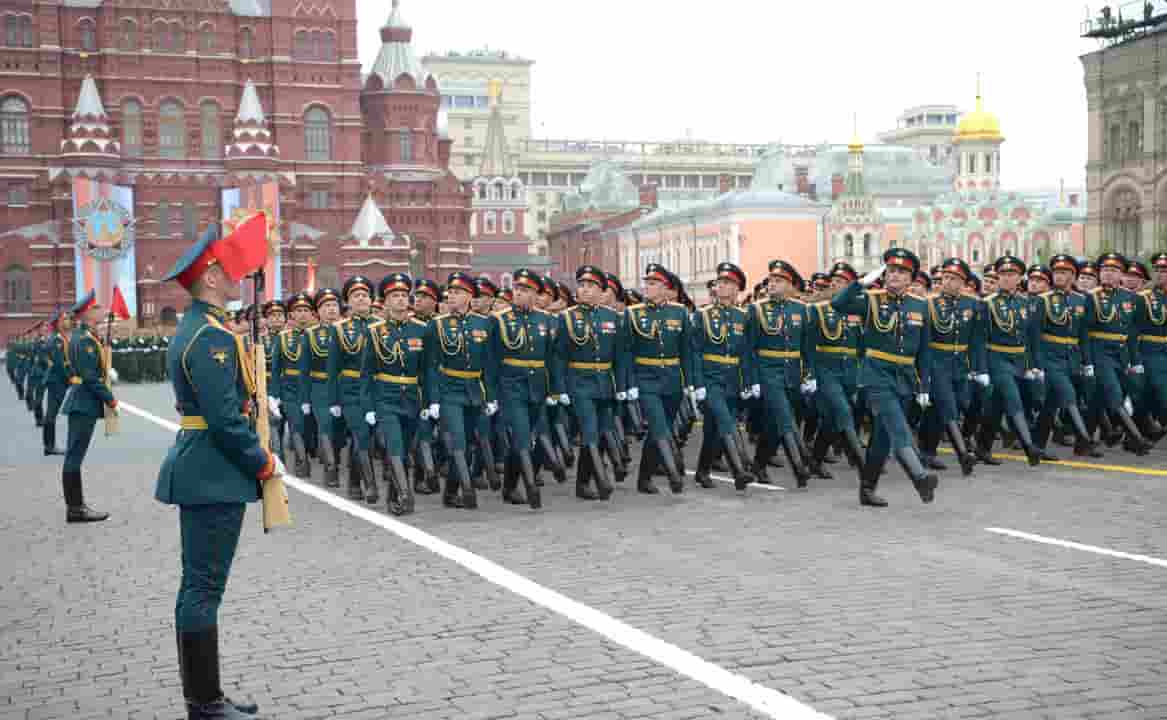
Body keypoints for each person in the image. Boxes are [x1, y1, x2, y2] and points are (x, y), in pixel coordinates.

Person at [156, 223, 282, 720]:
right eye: (226, 268)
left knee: (200, 586)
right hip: (212, 472)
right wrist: (264, 461)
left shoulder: (202, 329)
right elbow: (227, 421)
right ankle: (204, 703)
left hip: (205, 468)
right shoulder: (210, 338)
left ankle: (206, 695)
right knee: (202, 588)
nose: (235, 274)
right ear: (210, 277)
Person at [831, 248, 936, 507]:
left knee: (883, 437)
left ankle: (867, 488)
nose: (894, 276)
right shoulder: (870, 299)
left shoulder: (920, 305)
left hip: (905, 377)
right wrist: (860, 283)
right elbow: (837, 304)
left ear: (911, 278)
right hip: (876, 375)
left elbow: (925, 351)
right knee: (897, 424)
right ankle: (919, 477)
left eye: (901, 272)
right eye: (891, 270)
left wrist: (924, 385)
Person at [423, 271, 498, 509]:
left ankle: (450, 492)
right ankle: (467, 490)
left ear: (469, 296)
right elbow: (431, 366)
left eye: (457, 292)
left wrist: (491, 396)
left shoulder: (485, 323)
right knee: (457, 441)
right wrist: (433, 399)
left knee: (467, 445)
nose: (451, 296)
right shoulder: (437, 324)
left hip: (474, 390)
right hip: (449, 390)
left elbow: (489, 365)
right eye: (450, 292)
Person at [492, 268, 559, 507]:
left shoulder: (546, 320)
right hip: (511, 387)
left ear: (535, 294)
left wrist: (555, 390)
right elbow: (492, 361)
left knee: (524, 438)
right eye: (517, 289)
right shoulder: (499, 320)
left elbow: (552, 359)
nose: (519, 294)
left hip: (537, 387)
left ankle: (509, 487)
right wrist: (491, 395)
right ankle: (532, 489)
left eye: (525, 290)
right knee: (521, 435)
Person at [626, 264, 695, 494]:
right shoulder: (633, 313)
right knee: (658, 424)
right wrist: (630, 384)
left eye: (654, 284)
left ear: (666, 288)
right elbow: (626, 353)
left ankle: (644, 478)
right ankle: (673, 475)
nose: (648, 287)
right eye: (647, 283)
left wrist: (690, 382)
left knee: (659, 429)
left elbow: (687, 351)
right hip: (646, 379)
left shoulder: (679, 312)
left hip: (672, 380)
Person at [748, 260, 813, 486]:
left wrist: (809, 375)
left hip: (793, 373)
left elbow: (807, 348)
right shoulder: (756, 309)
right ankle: (800, 465)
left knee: (775, 424)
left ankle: (758, 464)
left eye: (778, 281)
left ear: (790, 284)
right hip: (768, 372)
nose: (772, 284)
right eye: (771, 280)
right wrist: (752, 379)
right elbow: (749, 349)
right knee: (784, 416)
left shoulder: (801, 309)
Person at [691, 262, 754, 490]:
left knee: (713, 430)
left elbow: (746, 353)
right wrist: (697, 384)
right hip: (710, 379)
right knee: (726, 422)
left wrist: (748, 381)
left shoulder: (743, 316)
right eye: (720, 282)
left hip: (732, 379)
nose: (722, 286)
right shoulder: (703, 315)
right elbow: (695, 352)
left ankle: (702, 471)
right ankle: (739, 471)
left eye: (728, 283)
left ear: (737, 289)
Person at [365, 273, 425, 515]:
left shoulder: (421, 329)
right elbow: (366, 372)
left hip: (412, 396)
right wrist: (369, 405)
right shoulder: (374, 331)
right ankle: (405, 494)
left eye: (403, 295)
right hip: (385, 396)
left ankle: (393, 496)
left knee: (407, 448)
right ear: (386, 302)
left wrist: (430, 400)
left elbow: (428, 369)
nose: (400, 300)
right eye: (394, 296)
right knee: (394, 444)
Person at [918, 258, 984, 475]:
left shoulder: (972, 304)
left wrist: (978, 368)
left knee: (941, 409)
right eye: (944, 277)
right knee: (948, 406)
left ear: (963, 282)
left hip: (959, 364)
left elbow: (976, 341)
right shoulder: (929, 304)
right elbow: (924, 342)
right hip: (936, 362)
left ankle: (927, 452)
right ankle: (963, 454)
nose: (947, 281)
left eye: (953, 278)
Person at [1032, 254, 1097, 458]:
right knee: (1069, 396)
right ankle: (1085, 439)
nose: (1059, 276)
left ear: (1073, 275)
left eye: (1064, 272)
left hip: (1072, 357)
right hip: (1050, 356)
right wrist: (1037, 363)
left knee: (1051, 404)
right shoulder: (1043, 300)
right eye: (1056, 272)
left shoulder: (1081, 300)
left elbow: (1083, 334)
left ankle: (1037, 446)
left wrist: (1087, 362)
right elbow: (1034, 335)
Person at [60, 290, 117, 523]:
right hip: (84, 403)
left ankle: (76, 506)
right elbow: (90, 377)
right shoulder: (84, 341)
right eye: (97, 307)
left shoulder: (85, 337)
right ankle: (75, 509)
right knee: (74, 456)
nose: (102, 310)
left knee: (74, 455)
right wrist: (109, 398)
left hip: (82, 401)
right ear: (88, 314)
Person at [327, 275, 378, 504]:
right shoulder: (339, 329)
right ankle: (369, 484)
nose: (361, 299)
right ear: (348, 302)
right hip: (351, 390)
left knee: (369, 438)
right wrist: (334, 401)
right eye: (356, 295)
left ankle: (355, 480)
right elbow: (332, 368)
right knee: (361, 435)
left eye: (365, 295)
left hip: (376, 389)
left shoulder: (380, 325)